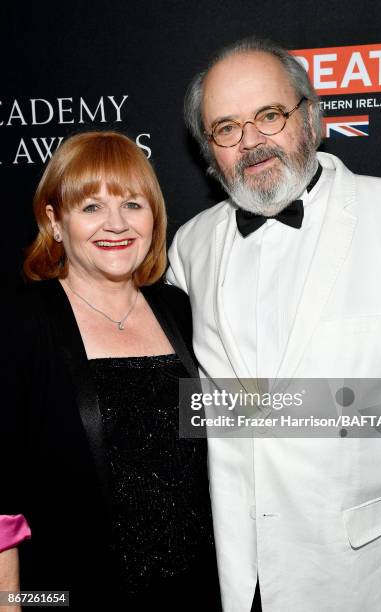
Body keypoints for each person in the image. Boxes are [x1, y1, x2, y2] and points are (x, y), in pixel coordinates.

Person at [166, 37, 381, 611]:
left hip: (376, 573)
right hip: (241, 577)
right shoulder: (190, 247)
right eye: (226, 128)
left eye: (269, 115)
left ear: (312, 117)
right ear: (210, 152)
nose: (252, 141)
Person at [0, 131, 220, 610]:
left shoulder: (179, 309)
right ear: (55, 222)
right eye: (91, 207)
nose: (116, 224)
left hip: (196, 591)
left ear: (154, 217)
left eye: (132, 204)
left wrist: (377, 408)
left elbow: (228, 418)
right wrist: (9, 601)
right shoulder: (21, 322)